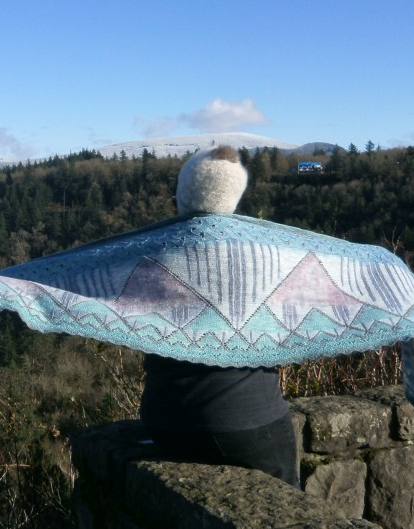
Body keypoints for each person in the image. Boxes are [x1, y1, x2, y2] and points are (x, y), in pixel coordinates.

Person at [137, 146, 300, 488]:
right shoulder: (268, 256)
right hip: (249, 423)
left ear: (181, 194)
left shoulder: (148, 254)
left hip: (163, 421)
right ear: (235, 195)